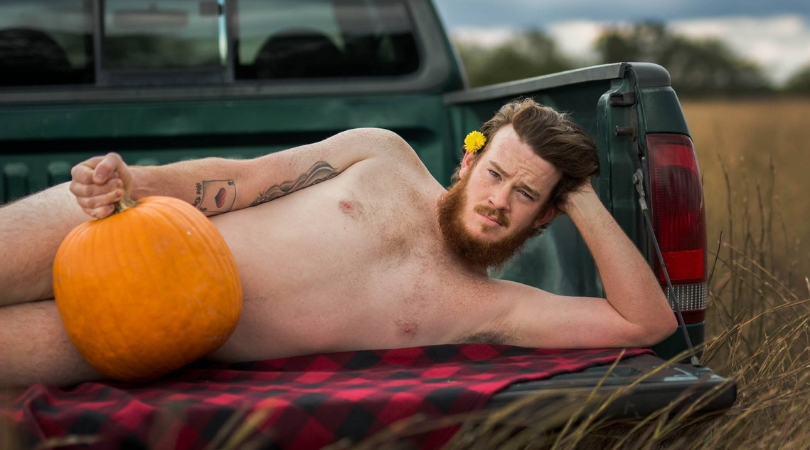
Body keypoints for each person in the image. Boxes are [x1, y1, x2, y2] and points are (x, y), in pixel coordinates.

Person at [0, 98, 677, 387]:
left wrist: (577, 188)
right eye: (496, 174)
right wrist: (136, 182)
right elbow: (243, 181)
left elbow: (645, 322)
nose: (499, 201)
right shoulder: (380, 155)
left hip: (149, 330)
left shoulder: (492, 309)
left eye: (525, 196)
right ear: (468, 163)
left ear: (544, 218)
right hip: (124, 223)